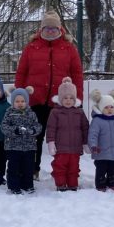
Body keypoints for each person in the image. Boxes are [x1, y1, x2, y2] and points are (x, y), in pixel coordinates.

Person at [14, 10, 84, 179]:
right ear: (41, 29)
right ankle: (33, 170)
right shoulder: (31, 47)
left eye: (54, 28)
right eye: (47, 28)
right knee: (34, 137)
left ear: (60, 29)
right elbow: (21, 73)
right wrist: (20, 96)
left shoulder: (69, 48)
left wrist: (77, 98)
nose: (51, 31)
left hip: (61, 102)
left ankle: (62, 171)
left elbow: (77, 74)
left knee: (62, 139)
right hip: (35, 100)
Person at [44, 77, 88, 192]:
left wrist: (85, 143)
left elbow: (85, 128)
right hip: (61, 148)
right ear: (60, 98)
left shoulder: (79, 112)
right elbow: (51, 128)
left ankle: (73, 184)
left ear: (75, 99)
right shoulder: (55, 112)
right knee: (59, 167)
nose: (68, 101)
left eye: (71, 98)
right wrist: (51, 143)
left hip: (75, 147)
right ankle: (61, 184)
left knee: (74, 167)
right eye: (65, 98)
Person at [1, 87, 41, 195]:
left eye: (22, 101)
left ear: (26, 102)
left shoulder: (31, 114)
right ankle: (14, 186)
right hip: (13, 147)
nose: (20, 103)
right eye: (17, 101)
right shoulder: (9, 113)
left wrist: (33, 130)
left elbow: (38, 126)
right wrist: (15, 130)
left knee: (28, 167)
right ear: (13, 102)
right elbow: (3, 127)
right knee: (14, 168)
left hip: (29, 147)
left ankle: (27, 185)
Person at [88, 94, 114, 193]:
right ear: (101, 108)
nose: (109, 109)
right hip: (101, 152)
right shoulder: (97, 121)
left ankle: (112, 183)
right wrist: (93, 145)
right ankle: (100, 185)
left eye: (112, 107)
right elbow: (93, 135)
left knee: (113, 170)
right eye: (106, 107)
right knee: (101, 169)